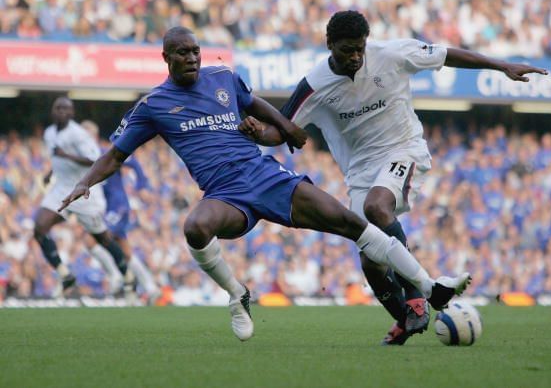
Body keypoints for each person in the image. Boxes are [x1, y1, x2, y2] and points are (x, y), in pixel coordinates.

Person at [59, 26, 470, 342]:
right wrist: (84, 182)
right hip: (224, 194)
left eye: (196, 51)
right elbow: (116, 155)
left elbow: (254, 103)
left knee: (352, 223)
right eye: (182, 53)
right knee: (194, 227)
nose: (192, 58)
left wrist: (287, 128)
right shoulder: (153, 106)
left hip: (266, 175)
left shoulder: (223, 78)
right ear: (165, 57)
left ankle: (429, 286)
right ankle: (237, 294)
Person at [241, 10, 548, 345]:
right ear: (329, 44)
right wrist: (258, 133)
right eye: (346, 49)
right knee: (371, 260)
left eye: (360, 48)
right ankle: (404, 319)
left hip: (403, 150)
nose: (355, 56)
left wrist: (500, 65)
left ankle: (420, 295)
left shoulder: (391, 54)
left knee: (376, 207)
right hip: (359, 169)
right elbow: (282, 129)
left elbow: (447, 55)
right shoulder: (315, 84)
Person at [33, 96, 131, 296]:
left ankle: (127, 275)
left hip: (84, 191)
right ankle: (65, 275)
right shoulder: (50, 133)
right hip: (61, 188)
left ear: (72, 113)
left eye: (65, 109)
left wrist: (65, 155)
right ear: (53, 111)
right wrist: (50, 173)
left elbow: (95, 160)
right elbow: (55, 156)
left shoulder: (79, 135)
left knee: (102, 238)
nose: (61, 111)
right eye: (58, 108)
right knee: (39, 227)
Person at [80, 120, 161, 303]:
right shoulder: (85, 158)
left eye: (84, 137)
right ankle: (150, 286)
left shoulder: (104, 152)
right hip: (108, 207)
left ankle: (115, 276)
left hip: (118, 206)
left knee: (91, 240)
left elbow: (133, 162)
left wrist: (141, 184)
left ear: (92, 136)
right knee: (125, 251)